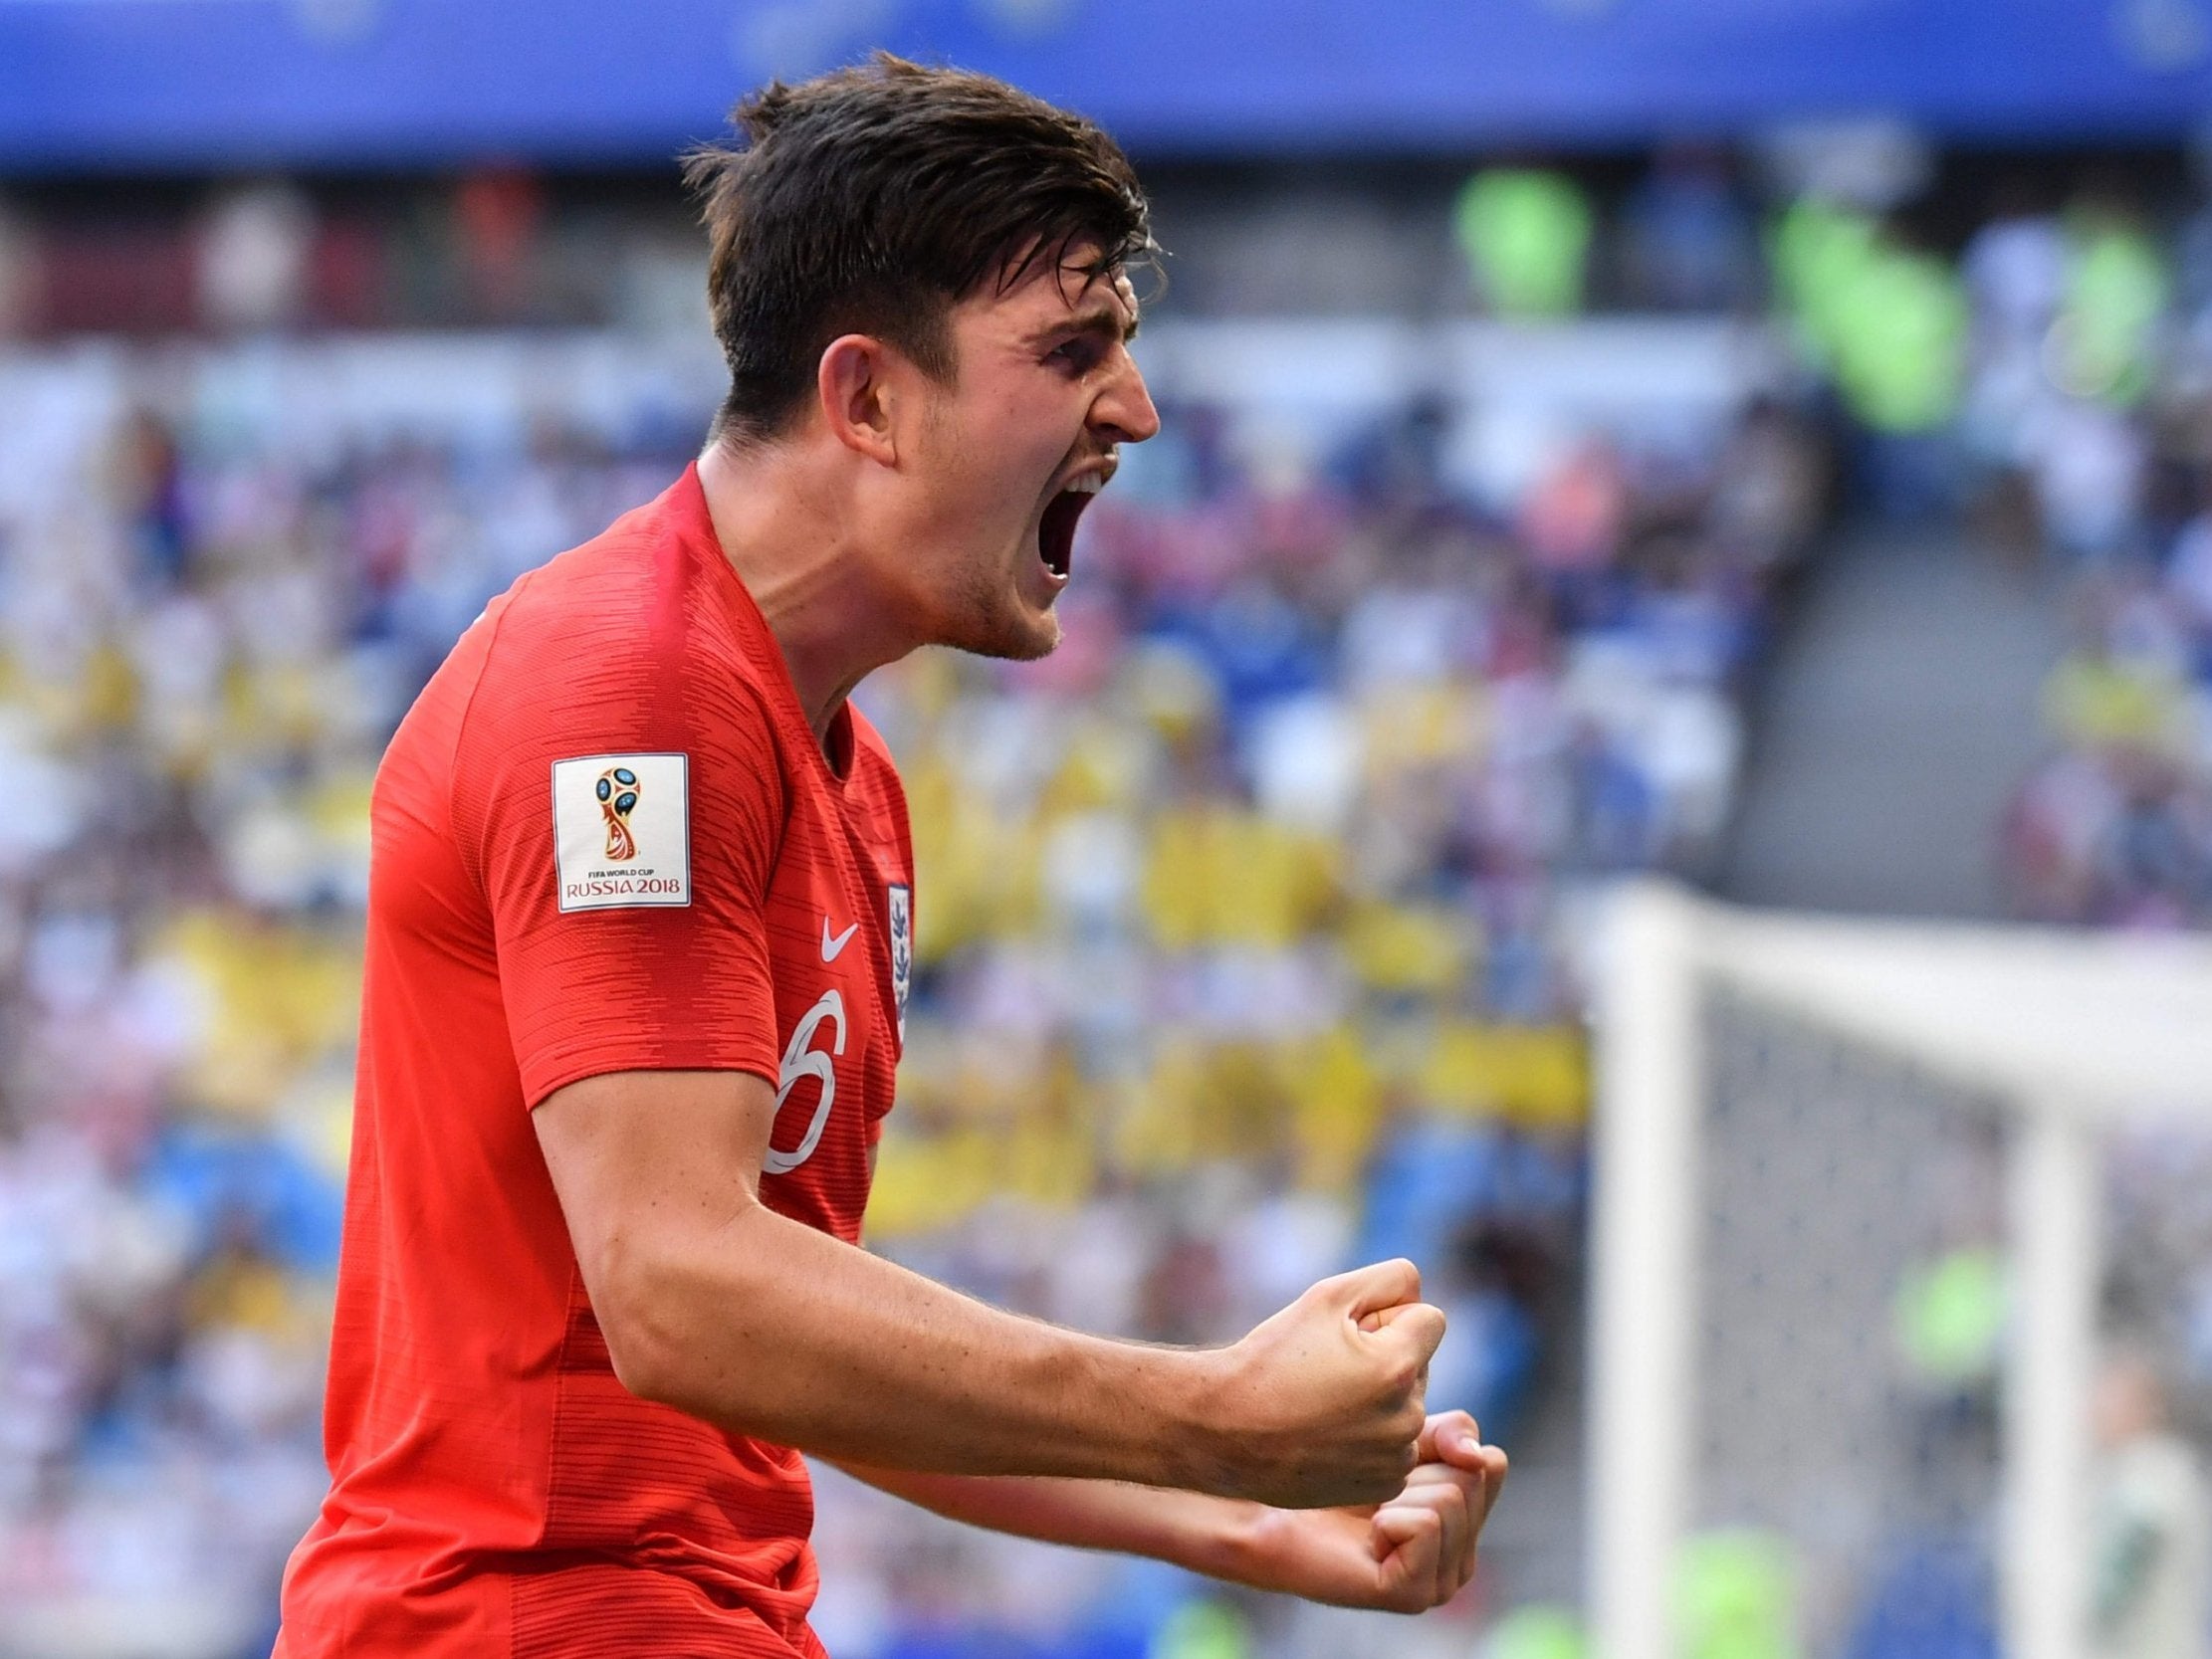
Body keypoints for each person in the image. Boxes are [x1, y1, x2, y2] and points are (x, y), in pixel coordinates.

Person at [273, 55, 1506, 1659]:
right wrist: (1210, 1413)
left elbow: (789, 1344)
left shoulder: (845, 776)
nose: (1132, 410)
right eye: (1074, 351)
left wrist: (1252, 1517)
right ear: (864, 400)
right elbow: (678, 1289)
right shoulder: (625, 692)